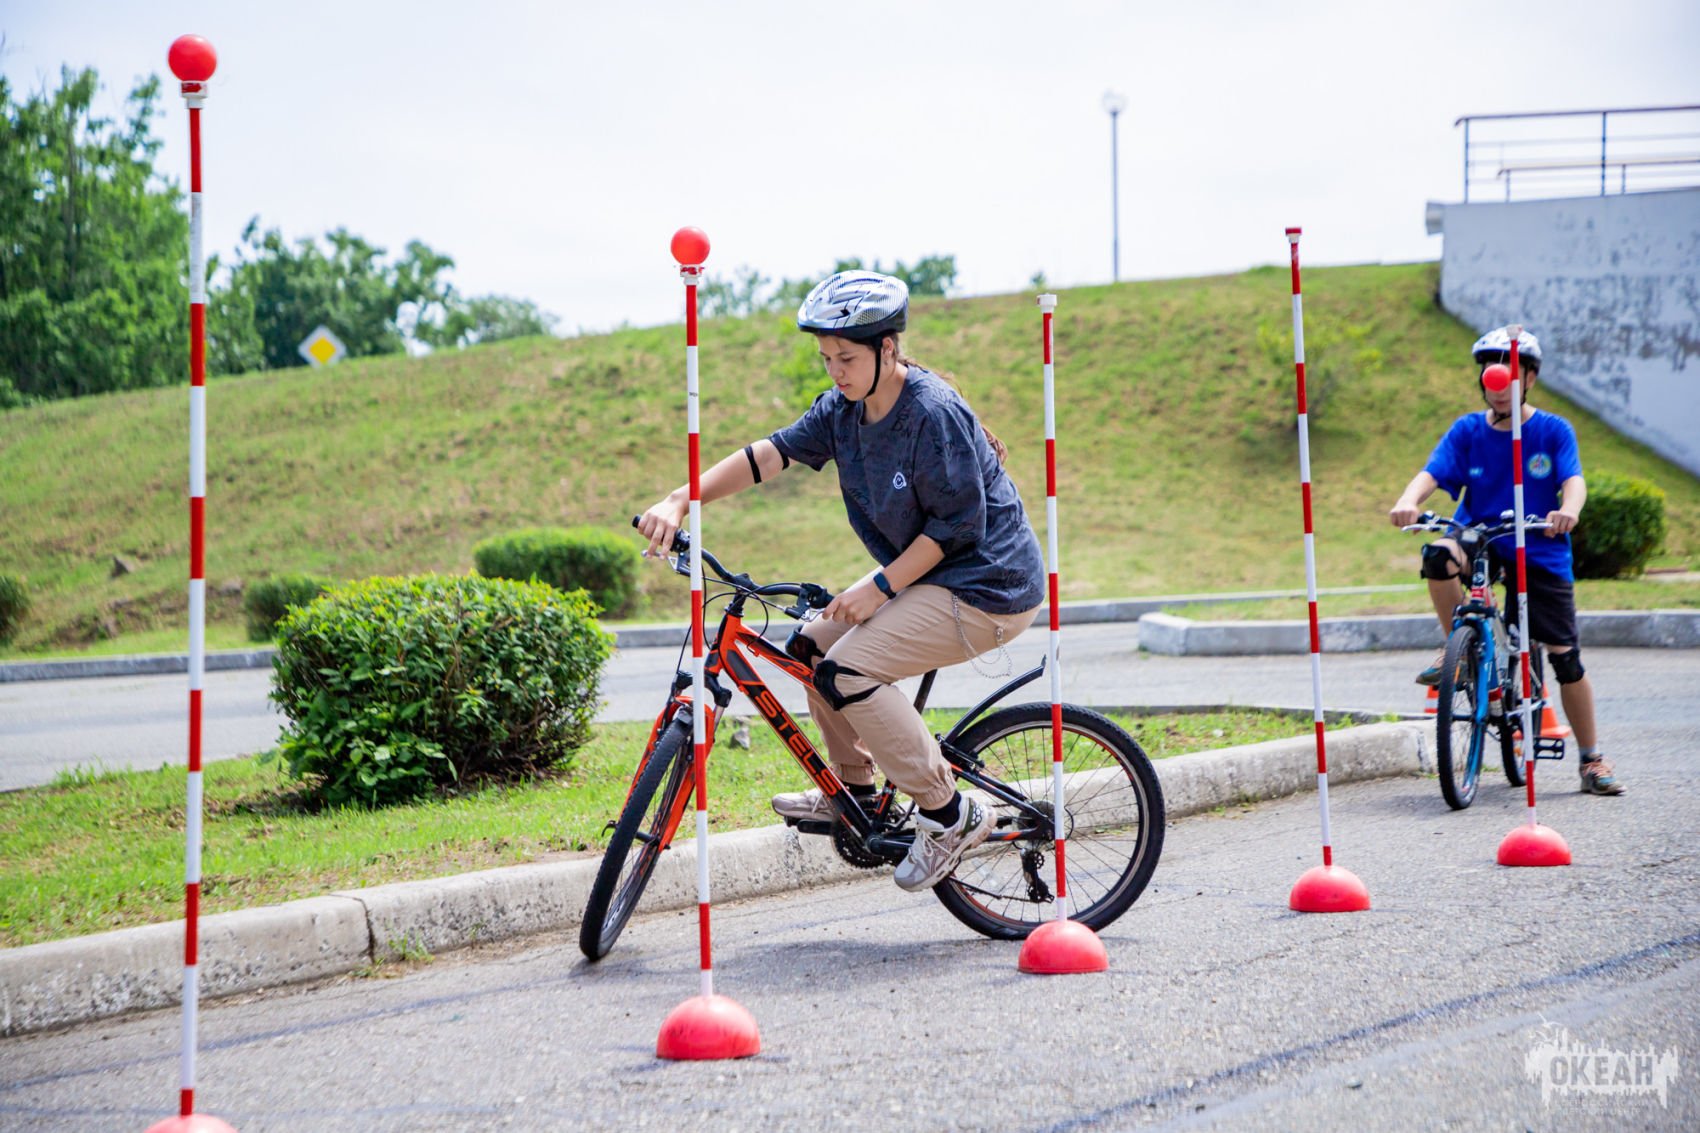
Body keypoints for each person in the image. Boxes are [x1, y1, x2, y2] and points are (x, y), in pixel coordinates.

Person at [637, 270, 1047, 888]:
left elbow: (960, 528)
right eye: (827, 358)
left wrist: (878, 588)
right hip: (931, 574)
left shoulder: (931, 413)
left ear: (888, 348)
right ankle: (853, 794)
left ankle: (950, 814)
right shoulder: (842, 410)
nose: (835, 371)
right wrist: (680, 499)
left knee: (848, 670)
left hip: (988, 585)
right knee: (809, 648)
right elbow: (769, 454)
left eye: (847, 358)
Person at [1387, 326, 1622, 796]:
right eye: (1491, 376)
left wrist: (1569, 510)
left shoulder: (1553, 430)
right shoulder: (1468, 430)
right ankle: (1459, 649)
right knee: (1438, 555)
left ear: (1530, 378)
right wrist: (1408, 500)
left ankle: (1591, 759)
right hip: (1480, 536)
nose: (1498, 385)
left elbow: (1573, 480)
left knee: (1565, 659)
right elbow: (1432, 472)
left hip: (1537, 545)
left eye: (1511, 375)